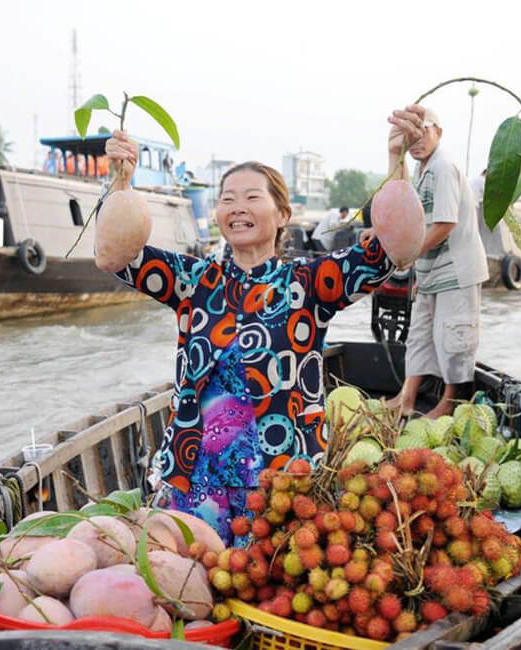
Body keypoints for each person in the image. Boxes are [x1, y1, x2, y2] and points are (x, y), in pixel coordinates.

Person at [100, 111, 426, 544]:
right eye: (227, 198)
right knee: (190, 577)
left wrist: (397, 159)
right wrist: (120, 181)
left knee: (264, 581)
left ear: (282, 213)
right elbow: (119, 257)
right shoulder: (193, 282)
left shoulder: (309, 284)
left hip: (282, 478)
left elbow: (389, 253)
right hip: (197, 474)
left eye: (252, 198)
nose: (237, 208)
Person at [386, 107, 489, 418]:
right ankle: (407, 397)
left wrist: (409, 255)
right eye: (410, 137)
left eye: (423, 133)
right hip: (430, 273)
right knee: (419, 335)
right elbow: (399, 197)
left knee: (453, 338)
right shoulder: (421, 169)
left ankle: (450, 403)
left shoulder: (444, 166)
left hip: (456, 270)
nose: (416, 142)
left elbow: (445, 223)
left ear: (439, 133)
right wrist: (395, 153)